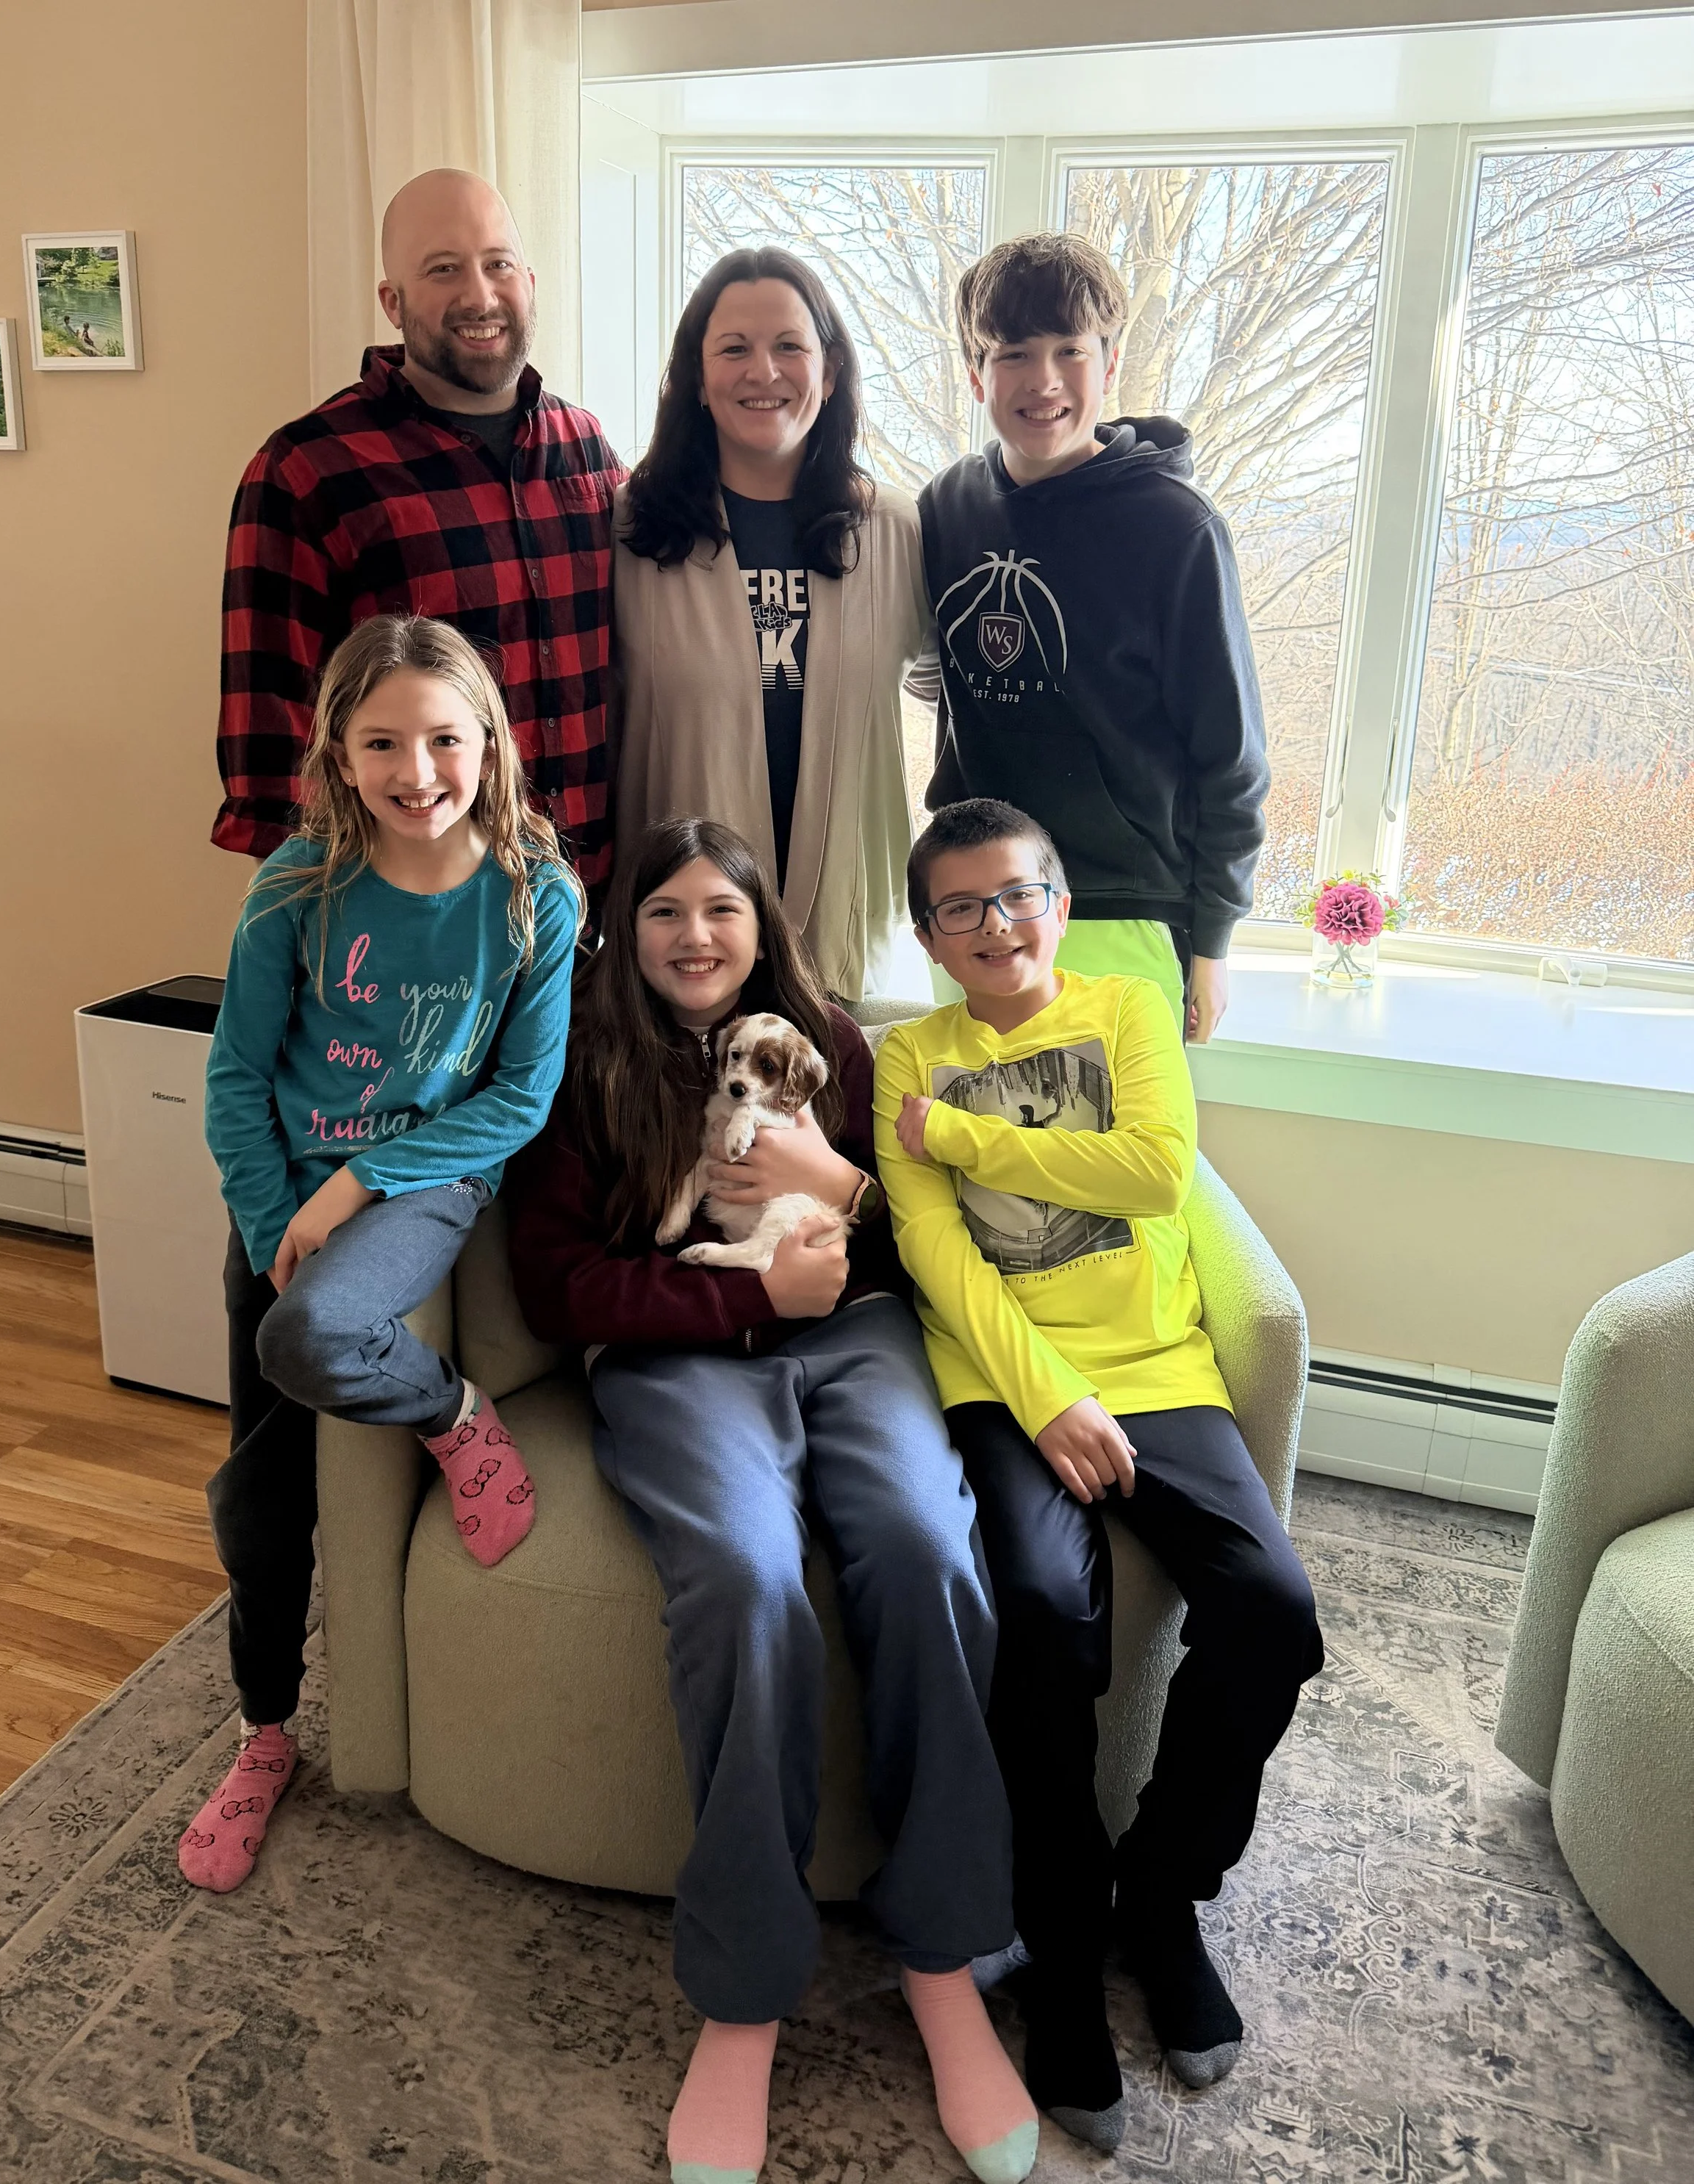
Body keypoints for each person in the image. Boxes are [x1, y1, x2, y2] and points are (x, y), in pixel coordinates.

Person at [508, 817, 1037, 2184]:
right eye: (666, 911)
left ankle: (943, 1957)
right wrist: (740, 1298)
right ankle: (744, 1994)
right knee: (747, 1584)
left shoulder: (837, 1047)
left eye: (722, 911)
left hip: (854, 1340)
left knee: (928, 1552)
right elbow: (555, 1286)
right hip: (675, 1358)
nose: (696, 936)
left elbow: (919, 1241)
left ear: (763, 927)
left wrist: (835, 1189)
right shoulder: (579, 1061)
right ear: (626, 929)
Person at [874, 796, 1322, 2155]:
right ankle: (1061, 1947)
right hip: (1006, 1385)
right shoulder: (908, 1056)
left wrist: (965, 1139)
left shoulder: (1128, 1012)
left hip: (1162, 1371)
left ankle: (1162, 1898)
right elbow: (939, 1258)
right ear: (931, 937)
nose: (997, 924)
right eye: (962, 907)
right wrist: (1046, 1397)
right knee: (1042, 1619)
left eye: (1019, 894)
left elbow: (1154, 1173)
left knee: (1274, 1611)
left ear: (1059, 903)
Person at [187, 612, 581, 1895]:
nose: (419, 772)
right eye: (384, 743)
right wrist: (276, 1227)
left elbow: (519, 1098)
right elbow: (236, 1079)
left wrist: (357, 1183)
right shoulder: (296, 886)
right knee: (256, 1504)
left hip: (424, 1180)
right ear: (338, 753)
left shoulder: (535, 893)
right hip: (283, 1199)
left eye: (446, 739)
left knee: (312, 1333)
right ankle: (263, 1733)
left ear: (490, 742)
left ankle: (455, 1416)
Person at [215, 168, 624, 896]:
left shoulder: (585, 447)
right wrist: (315, 926)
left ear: (530, 282)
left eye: (498, 264)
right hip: (417, 914)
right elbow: (273, 749)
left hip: (597, 901)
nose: (480, 295)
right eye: (443, 270)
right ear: (393, 302)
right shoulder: (306, 470)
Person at [915, 232, 1269, 1043]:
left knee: (1125, 1131)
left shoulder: (1176, 529)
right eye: (1012, 353)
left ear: (1109, 365)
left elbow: (1232, 755)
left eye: (1069, 350)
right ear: (976, 373)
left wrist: (1212, 941)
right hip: (971, 905)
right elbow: (927, 664)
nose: (1042, 380)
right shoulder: (947, 507)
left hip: (1123, 906)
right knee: (967, 1124)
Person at [613, 248, 932, 999]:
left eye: (790, 345)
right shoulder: (630, 532)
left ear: (831, 370)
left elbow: (946, 684)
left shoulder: (895, 530)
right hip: (683, 944)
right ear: (696, 378)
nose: (763, 371)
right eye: (733, 349)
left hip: (847, 936)